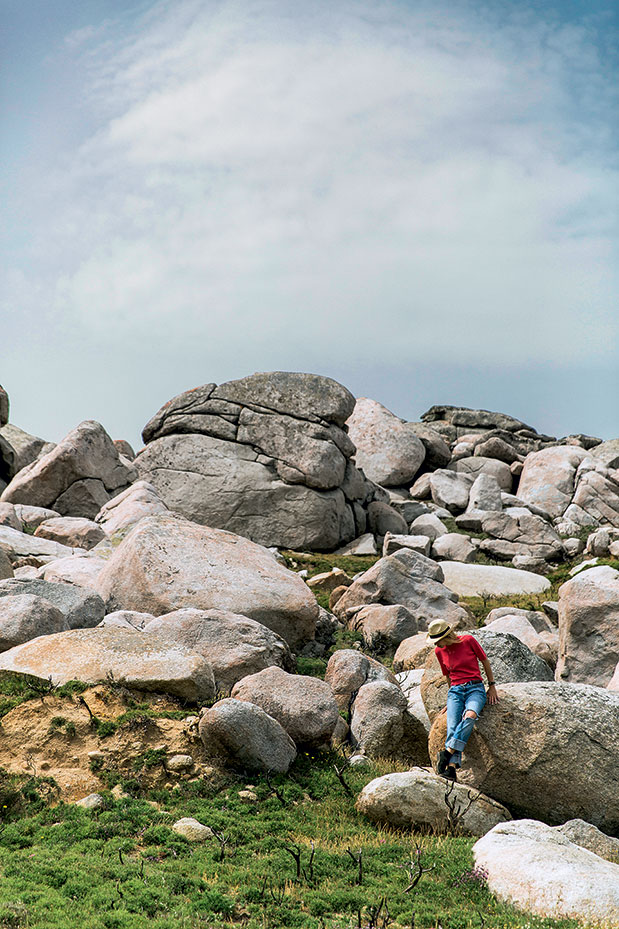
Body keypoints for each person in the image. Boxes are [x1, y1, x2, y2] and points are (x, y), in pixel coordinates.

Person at [426, 619, 499, 781]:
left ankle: (447, 753)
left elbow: (485, 661)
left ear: (446, 636)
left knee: (470, 716)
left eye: (437, 640)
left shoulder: (468, 641)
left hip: (475, 689)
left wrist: (492, 685)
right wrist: (450, 700)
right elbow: (448, 676)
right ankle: (451, 769)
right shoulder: (439, 651)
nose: (436, 644)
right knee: (453, 727)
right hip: (455, 692)